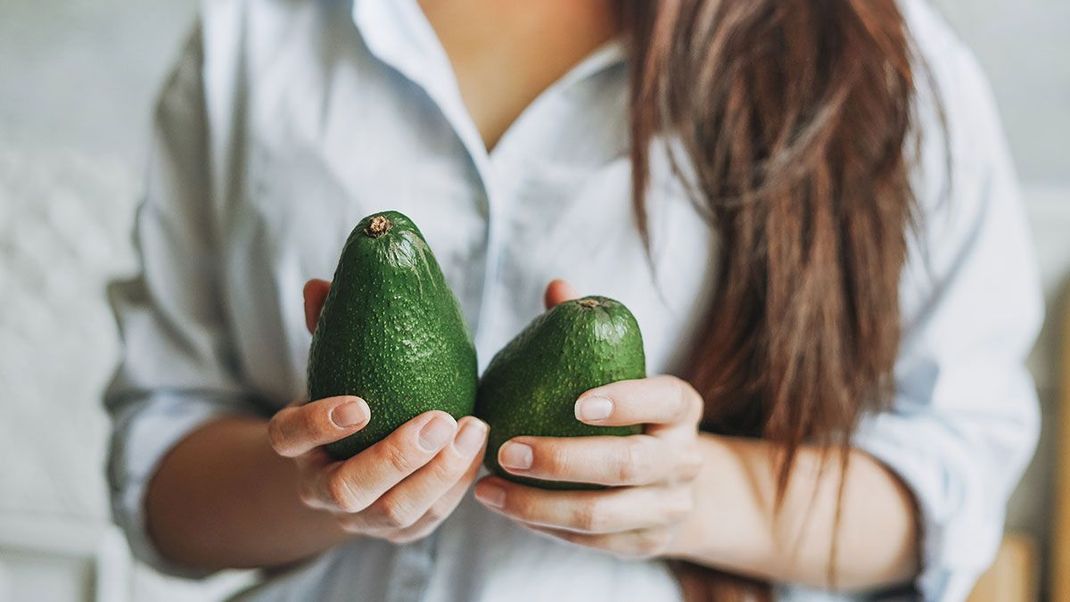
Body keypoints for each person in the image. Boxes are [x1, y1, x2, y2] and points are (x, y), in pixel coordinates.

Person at [104, 0, 1042, 600]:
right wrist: (328, 485)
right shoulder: (255, 36)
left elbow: (949, 476)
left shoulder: (875, 55)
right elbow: (162, 474)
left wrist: (688, 495)